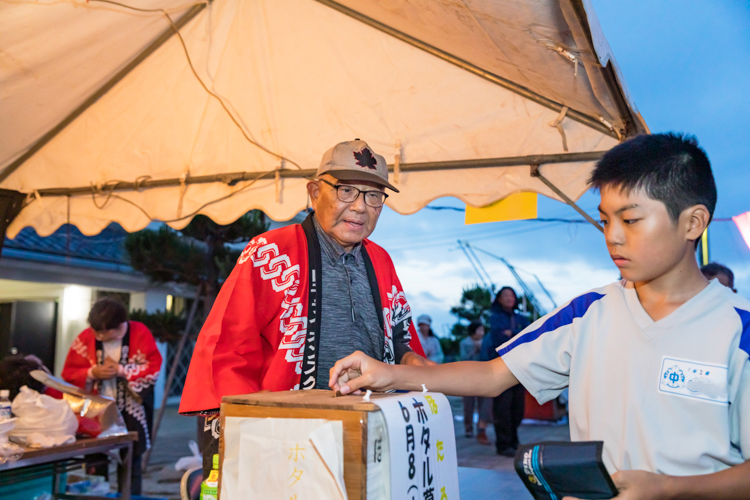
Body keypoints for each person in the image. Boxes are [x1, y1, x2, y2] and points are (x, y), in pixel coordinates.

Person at [329, 133, 750, 499]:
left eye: (631, 219)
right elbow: (493, 375)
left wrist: (669, 489)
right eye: (605, 220)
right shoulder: (587, 313)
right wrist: (388, 373)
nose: (613, 236)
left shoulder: (739, 331)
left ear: (693, 222)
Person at [179, 139, 427, 474]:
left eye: (373, 196)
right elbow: (228, 347)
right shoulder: (269, 252)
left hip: (366, 430)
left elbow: (400, 338)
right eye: (346, 191)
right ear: (314, 192)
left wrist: (412, 363)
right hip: (281, 433)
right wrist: (245, 429)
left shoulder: (381, 259)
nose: (360, 207)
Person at [62, 298, 162, 496]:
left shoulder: (139, 332)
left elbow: (153, 366)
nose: (99, 336)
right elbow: (70, 371)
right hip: (97, 408)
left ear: (120, 325)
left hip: (131, 406)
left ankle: (131, 496)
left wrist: (122, 370)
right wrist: (92, 373)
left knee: (131, 459)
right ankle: (97, 495)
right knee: (95, 458)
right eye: (96, 332)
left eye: (104, 332)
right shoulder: (86, 337)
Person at [481, 286, 530, 456]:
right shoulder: (496, 318)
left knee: (517, 408)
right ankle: (503, 444)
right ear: (499, 299)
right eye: (505, 295)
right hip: (502, 367)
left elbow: (528, 337)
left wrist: (512, 333)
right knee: (502, 407)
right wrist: (517, 335)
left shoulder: (521, 318)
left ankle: (514, 441)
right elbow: (499, 339)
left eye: (512, 295)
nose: (509, 298)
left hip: (520, 367)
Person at [459, 320, 490, 444]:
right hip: (468, 376)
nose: (482, 332)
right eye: (479, 330)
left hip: (482, 376)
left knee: (483, 404)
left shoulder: (486, 342)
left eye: (483, 330)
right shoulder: (464, 343)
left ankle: (481, 429)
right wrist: (474, 350)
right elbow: (463, 359)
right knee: (468, 404)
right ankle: (468, 428)